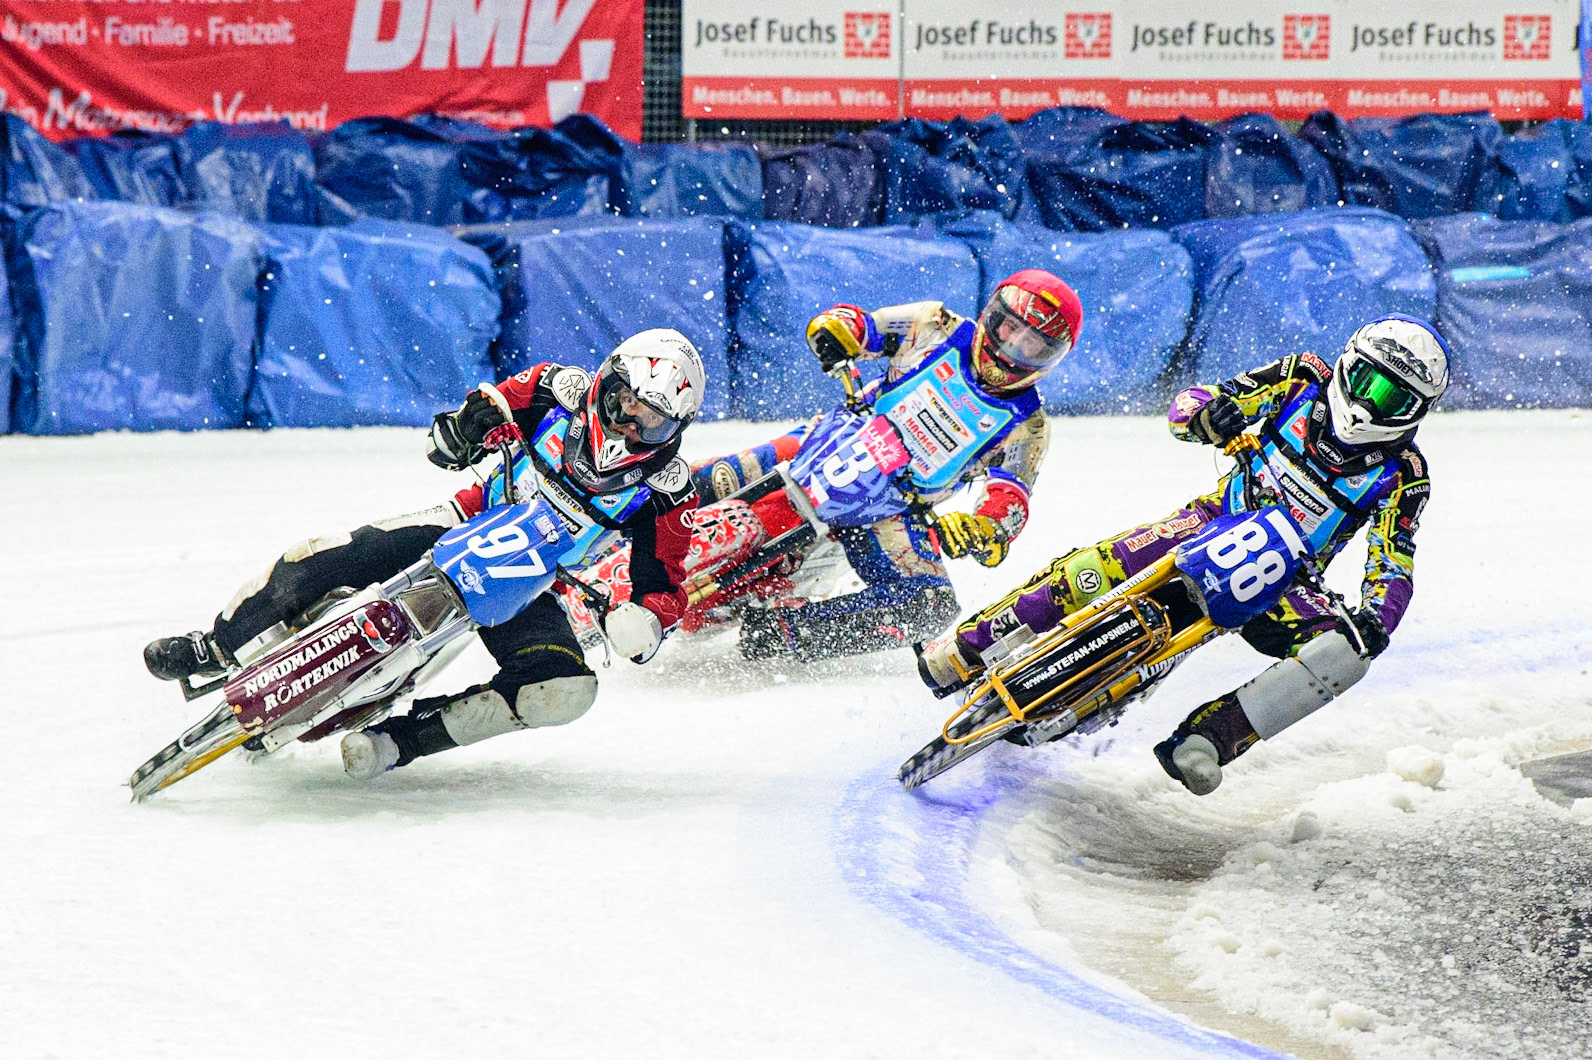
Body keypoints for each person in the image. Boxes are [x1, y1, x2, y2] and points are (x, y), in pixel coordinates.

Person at [918, 315, 1448, 795]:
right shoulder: (1301, 378)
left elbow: (1393, 560)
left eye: (1393, 400)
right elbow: (1190, 405)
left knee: (1345, 654)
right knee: (1092, 570)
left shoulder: (1405, 473)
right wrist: (1207, 416)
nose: (1369, 405)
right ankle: (967, 647)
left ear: (1418, 412)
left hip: (1288, 579)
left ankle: (1210, 740)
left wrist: (1378, 618)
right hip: (1211, 520)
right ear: (1347, 363)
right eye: (1367, 382)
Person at [144, 329, 707, 779]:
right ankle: (216, 646)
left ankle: (399, 742)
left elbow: (665, 586)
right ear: (607, 381)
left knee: (563, 690)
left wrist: (647, 621)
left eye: (650, 419)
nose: (629, 423)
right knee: (328, 553)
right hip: (461, 521)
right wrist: (465, 428)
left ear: (673, 429)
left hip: (533, 586)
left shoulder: (668, 490)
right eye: (625, 401)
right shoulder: (555, 388)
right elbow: (481, 409)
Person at [694, 270, 1083, 663]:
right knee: (721, 475)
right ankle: (641, 503)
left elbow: (1010, 499)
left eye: (1031, 345)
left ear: (1051, 358)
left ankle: (776, 634)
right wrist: (837, 331)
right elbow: (863, 326)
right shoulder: (934, 324)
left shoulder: (1027, 426)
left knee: (930, 607)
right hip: (832, 438)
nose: (1009, 347)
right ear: (991, 315)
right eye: (1009, 328)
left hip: (893, 509)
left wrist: (983, 529)